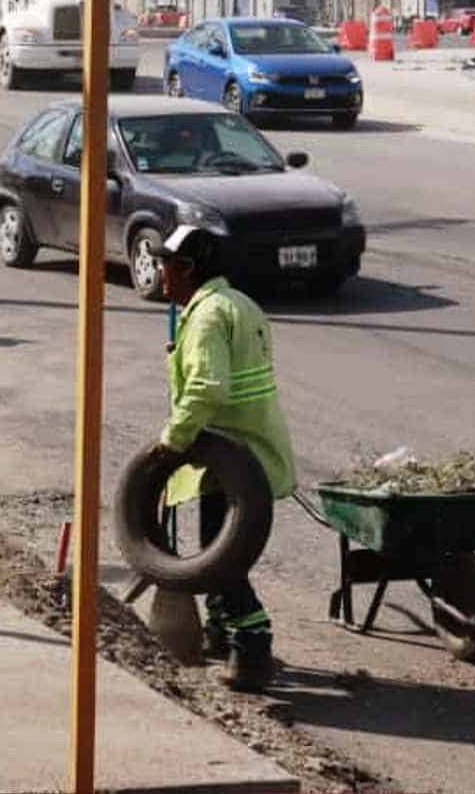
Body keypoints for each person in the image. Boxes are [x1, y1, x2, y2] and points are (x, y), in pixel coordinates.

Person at [150, 224, 296, 693]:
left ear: (188, 268)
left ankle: (253, 647)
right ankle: (220, 628)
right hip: (249, 453)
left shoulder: (209, 316)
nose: (159, 274)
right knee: (220, 551)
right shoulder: (240, 304)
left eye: (164, 264)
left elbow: (209, 386)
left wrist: (173, 440)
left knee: (220, 560)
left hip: (234, 465)